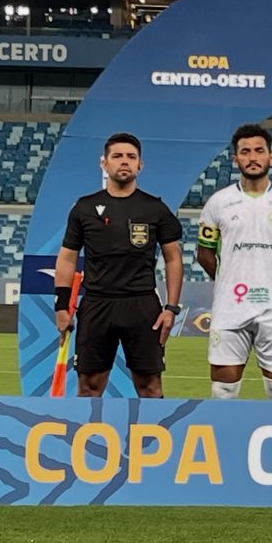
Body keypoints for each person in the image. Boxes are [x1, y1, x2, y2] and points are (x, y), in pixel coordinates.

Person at [54, 131, 184, 399]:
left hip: (142, 305)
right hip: (97, 304)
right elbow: (67, 257)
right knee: (88, 388)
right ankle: (91, 429)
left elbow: (173, 258)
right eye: (117, 156)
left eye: (131, 157)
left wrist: (171, 308)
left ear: (140, 165)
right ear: (104, 163)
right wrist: (61, 306)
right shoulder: (84, 208)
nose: (124, 161)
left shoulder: (155, 208)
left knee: (150, 387)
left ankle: (151, 430)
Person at [196, 123, 272, 401]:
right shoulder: (218, 203)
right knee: (223, 391)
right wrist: (228, 282)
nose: (252, 157)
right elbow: (205, 254)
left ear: (271, 156)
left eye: (259, 151)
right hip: (229, 309)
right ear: (235, 159)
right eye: (245, 152)